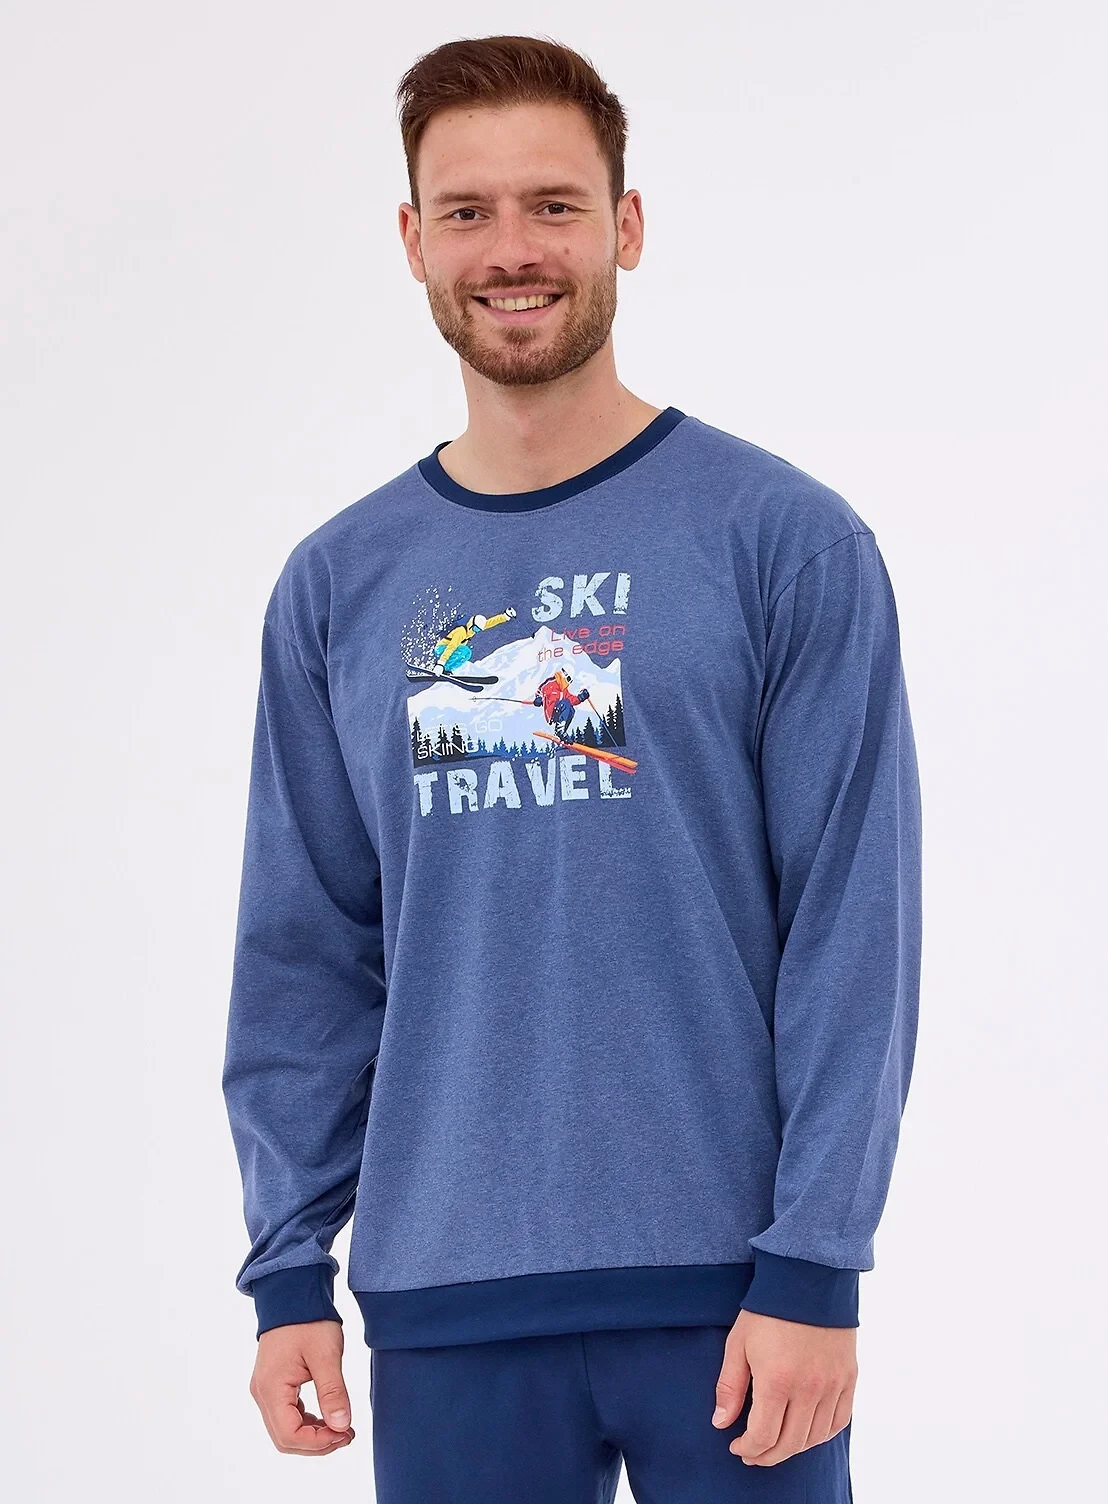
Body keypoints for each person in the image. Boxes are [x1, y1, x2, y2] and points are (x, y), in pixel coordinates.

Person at [221, 32, 923, 1504]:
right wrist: (289, 1269)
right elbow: (306, 948)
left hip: (735, 1296)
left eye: (554, 204)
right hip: (446, 1300)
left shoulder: (785, 543)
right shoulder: (338, 586)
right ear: (413, 241)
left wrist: (817, 1262)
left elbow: (855, 931)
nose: (512, 251)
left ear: (628, 224)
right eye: (466, 212)